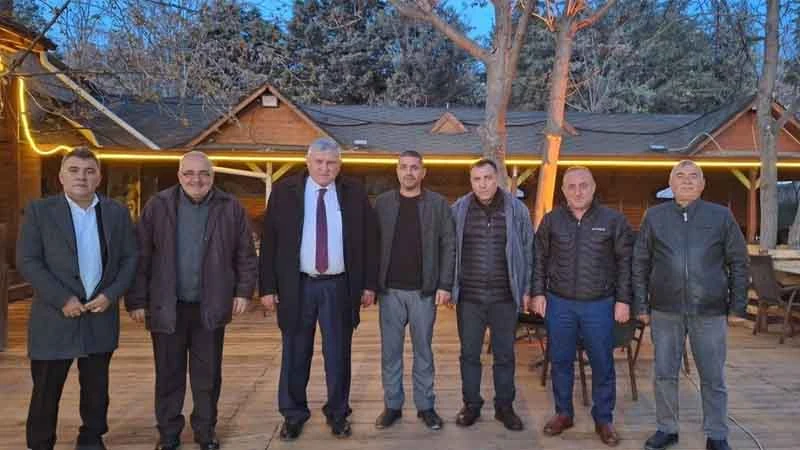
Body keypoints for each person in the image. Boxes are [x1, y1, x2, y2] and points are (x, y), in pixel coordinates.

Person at [126, 151, 257, 450]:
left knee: (207, 376)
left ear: (212, 176)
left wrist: (243, 291)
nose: (196, 179)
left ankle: (205, 432)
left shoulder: (230, 207)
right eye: (189, 173)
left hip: (210, 306)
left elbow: (245, 254)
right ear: (179, 175)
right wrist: (136, 299)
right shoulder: (158, 206)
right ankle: (168, 434)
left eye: (203, 173)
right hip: (167, 306)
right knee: (168, 375)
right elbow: (140, 255)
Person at [17, 147, 138, 450]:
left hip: (100, 314)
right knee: (46, 389)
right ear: (61, 176)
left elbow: (130, 258)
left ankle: (92, 437)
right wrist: (62, 299)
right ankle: (40, 443)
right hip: (54, 317)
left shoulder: (116, 213)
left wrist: (111, 295)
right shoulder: (39, 212)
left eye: (89, 171)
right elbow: (28, 260)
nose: (81, 177)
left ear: (99, 177)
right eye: (74, 170)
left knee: (96, 388)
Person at [259, 137, 379, 440]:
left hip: (339, 286)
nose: (325, 168)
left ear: (339, 165)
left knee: (338, 354)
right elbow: (270, 241)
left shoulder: (354, 192)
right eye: (319, 162)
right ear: (308, 161)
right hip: (297, 285)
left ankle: (338, 413)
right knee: (295, 353)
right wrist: (267, 287)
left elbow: (370, 240)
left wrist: (369, 284)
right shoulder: (285, 192)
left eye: (331, 163)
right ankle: (293, 415)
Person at [633, 160, 748, 450]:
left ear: (703, 183)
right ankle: (667, 428)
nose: (686, 181)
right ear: (671, 184)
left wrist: (737, 307)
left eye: (693, 176)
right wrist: (641, 306)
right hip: (665, 309)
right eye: (680, 176)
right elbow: (640, 262)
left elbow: (739, 261)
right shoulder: (654, 217)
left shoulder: (721, 216)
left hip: (709, 310)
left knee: (713, 376)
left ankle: (717, 434)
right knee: (664, 374)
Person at [531, 166, 632, 446]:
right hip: (559, 303)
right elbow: (538, 258)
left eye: (583, 185)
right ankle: (563, 413)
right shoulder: (552, 220)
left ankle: (604, 418)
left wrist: (623, 300)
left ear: (593, 187)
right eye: (572, 186)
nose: (578, 191)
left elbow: (625, 263)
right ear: (563, 191)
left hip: (599, 304)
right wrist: (537, 293)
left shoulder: (613, 220)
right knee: (560, 361)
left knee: (602, 362)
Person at [372, 150, 456, 430]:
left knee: (423, 352)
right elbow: (372, 244)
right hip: (389, 292)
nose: (409, 172)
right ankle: (392, 406)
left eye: (414, 167)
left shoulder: (437, 204)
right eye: (404, 167)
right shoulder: (383, 203)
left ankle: (426, 406)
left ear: (423, 172)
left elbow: (448, 244)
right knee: (390, 353)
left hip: (424, 292)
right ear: (397, 171)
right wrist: (370, 285)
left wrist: (445, 284)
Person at [450, 158, 533, 431]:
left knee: (505, 355)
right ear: (471, 181)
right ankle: (471, 405)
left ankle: (504, 407)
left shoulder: (517, 210)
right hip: (469, 298)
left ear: (497, 179)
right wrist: (448, 286)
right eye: (477, 179)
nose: (482, 184)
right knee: (469, 355)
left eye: (487, 178)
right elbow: (449, 250)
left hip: (504, 297)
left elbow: (528, 251)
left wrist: (527, 289)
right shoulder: (458, 210)